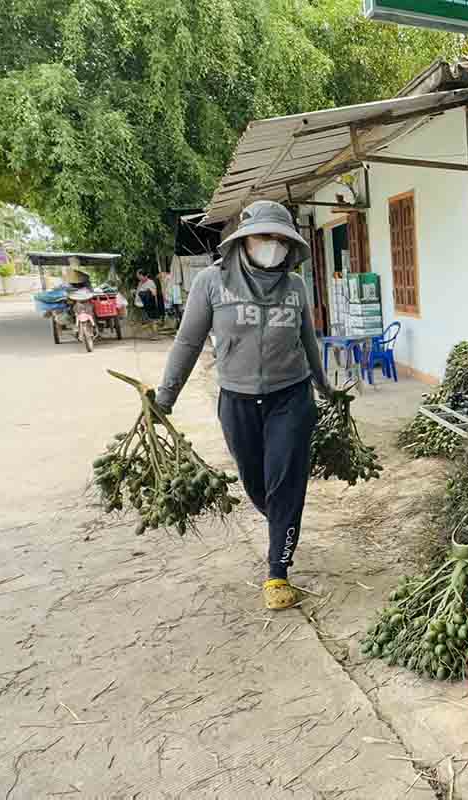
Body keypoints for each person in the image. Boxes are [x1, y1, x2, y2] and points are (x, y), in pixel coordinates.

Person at [154, 201, 333, 610]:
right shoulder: (211, 283)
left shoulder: (295, 288)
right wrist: (166, 396)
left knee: (286, 481)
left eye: (280, 240)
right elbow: (187, 341)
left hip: (291, 396)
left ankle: (277, 570)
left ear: (290, 246)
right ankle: (282, 526)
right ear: (243, 242)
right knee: (256, 482)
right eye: (262, 237)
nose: (271, 245)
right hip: (236, 399)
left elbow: (308, 341)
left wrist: (324, 387)